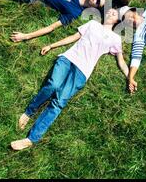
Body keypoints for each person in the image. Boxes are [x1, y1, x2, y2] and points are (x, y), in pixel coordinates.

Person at [10, 8, 129, 150]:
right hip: (68, 59)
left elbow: (121, 61)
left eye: (114, 13)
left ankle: (31, 138)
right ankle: (29, 112)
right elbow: (73, 37)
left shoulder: (115, 39)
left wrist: (130, 77)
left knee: (59, 102)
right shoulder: (92, 24)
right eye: (109, 11)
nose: (110, 13)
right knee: (53, 85)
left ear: (117, 21)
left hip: (83, 71)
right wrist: (51, 45)